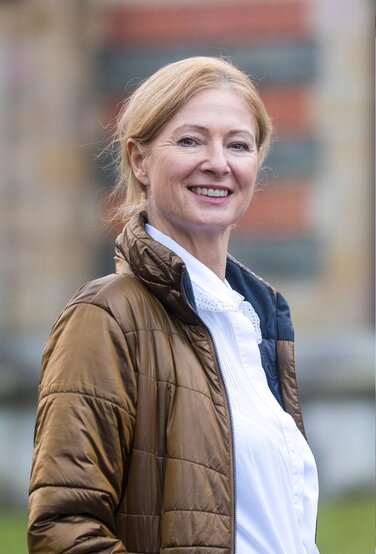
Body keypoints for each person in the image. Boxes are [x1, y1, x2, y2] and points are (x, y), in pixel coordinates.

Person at [27, 57, 319, 553]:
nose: (218, 162)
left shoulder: (256, 323)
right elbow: (62, 530)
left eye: (238, 145)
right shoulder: (106, 316)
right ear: (139, 160)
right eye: (190, 140)